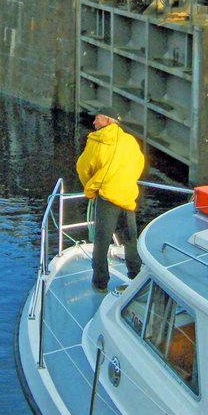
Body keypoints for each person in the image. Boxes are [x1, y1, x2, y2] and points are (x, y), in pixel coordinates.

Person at [76, 108, 145, 291]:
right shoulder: (130, 141)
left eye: (97, 119)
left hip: (107, 197)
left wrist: (91, 186)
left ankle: (100, 282)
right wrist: (126, 180)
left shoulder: (97, 141)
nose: (94, 123)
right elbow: (139, 163)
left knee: (102, 240)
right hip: (127, 195)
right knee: (130, 238)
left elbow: (83, 167)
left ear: (107, 121)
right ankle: (136, 275)